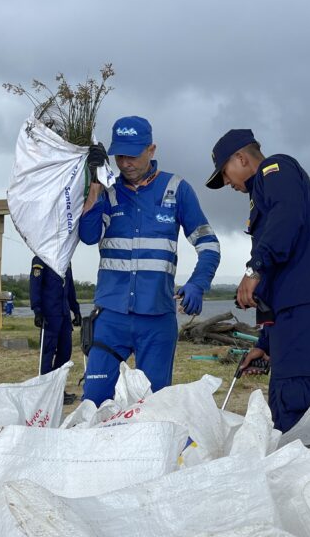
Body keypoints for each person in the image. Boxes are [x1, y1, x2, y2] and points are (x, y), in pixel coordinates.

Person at [206, 129, 310, 432]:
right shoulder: (261, 195)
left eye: (225, 174)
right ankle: (294, 467)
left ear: (242, 158)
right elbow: (276, 271)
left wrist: (253, 269)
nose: (227, 183)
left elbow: (287, 218)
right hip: (291, 308)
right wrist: (265, 343)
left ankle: (303, 472)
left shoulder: (277, 170)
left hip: (307, 301)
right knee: (285, 398)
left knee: (296, 398)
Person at [79, 116, 220, 406]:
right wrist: (93, 186)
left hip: (157, 319)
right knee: (93, 400)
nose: (126, 163)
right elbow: (89, 235)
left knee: (153, 405)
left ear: (151, 149)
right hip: (110, 316)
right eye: (120, 156)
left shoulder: (178, 189)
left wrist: (198, 283)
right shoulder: (109, 192)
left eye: (133, 155)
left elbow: (209, 245)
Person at [30, 256, 81, 403]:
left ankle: (58, 391)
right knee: (47, 355)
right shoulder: (40, 259)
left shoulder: (65, 259)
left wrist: (75, 310)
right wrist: (37, 310)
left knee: (65, 353)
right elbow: (35, 286)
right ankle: (45, 394)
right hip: (49, 316)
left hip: (64, 315)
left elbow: (70, 287)